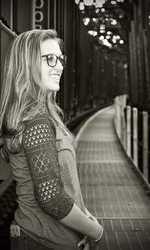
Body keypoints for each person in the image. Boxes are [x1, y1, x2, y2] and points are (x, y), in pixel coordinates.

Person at [0, 29, 103, 250]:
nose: (59, 66)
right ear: (27, 65)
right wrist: (96, 231)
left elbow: (64, 185)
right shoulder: (37, 122)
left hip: (54, 237)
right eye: (49, 59)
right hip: (42, 240)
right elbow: (50, 197)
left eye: (60, 59)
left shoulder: (42, 113)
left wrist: (84, 219)